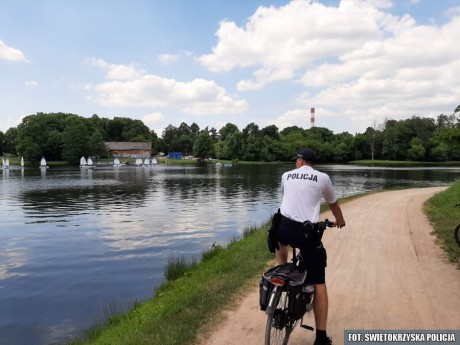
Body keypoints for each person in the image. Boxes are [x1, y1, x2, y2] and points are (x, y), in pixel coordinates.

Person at [275, 148, 345, 345]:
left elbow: (287, 199)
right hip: (305, 234)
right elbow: (333, 203)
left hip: (284, 229)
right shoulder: (323, 178)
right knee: (319, 281)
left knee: (277, 232)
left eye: (296, 159)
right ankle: (321, 338)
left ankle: (283, 266)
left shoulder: (286, 176)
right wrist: (340, 220)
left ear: (300, 161)